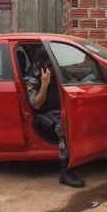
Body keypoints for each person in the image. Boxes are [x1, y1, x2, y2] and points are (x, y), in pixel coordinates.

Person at [23, 47, 85, 188]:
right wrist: (44, 84)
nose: (51, 66)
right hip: (45, 116)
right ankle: (65, 172)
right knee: (64, 129)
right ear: (39, 63)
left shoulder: (54, 70)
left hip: (61, 110)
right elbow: (36, 105)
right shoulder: (31, 78)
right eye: (49, 64)